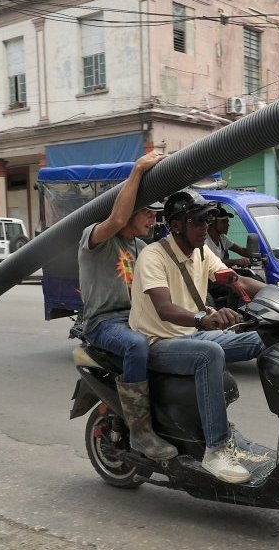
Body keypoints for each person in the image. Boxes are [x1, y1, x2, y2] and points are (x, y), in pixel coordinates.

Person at [129, 189, 273, 484]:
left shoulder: (202, 252)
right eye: (197, 220)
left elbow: (235, 280)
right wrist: (203, 318)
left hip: (190, 337)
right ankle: (216, 449)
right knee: (211, 355)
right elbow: (165, 308)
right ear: (176, 224)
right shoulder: (152, 256)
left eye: (207, 219)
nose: (205, 226)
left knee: (263, 337)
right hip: (159, 343)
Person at [74, 150, 175, 461]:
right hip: (103, 323)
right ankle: (141, 433)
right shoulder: (96, 239)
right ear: (129, 210)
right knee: (136, 347)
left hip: (134, 318)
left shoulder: (141, 247)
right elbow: (117, 219)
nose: (153, 218)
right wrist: (137, 171)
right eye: (147, 211)